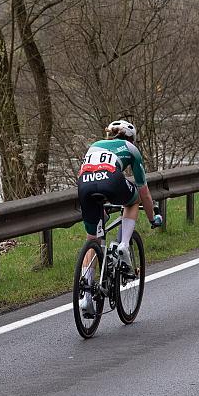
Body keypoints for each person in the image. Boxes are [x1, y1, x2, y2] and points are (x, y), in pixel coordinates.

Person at [77, 119, 163, 317]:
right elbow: (145, 192)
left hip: (85, 185)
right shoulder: (131, 149)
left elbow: (93, 173)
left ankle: (86, 295)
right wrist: (152, 218)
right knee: (133, 201)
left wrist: (102, 212)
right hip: (111, 181)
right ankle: (124, 244)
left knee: (93, 239)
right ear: (131, 138)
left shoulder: (94, 146)